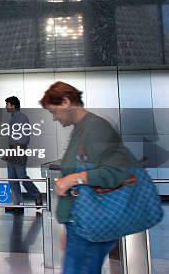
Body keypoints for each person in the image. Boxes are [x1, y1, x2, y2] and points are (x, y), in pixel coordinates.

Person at [40, 82, 138, 274]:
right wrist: (66, 223)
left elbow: (117, 171)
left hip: (90, 227)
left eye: (54, 111)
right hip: (79, 225)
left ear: (67, 102)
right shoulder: (81, 130)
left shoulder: (97, 128)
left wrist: (73, 179)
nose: (53, 118)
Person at [3, 96, 42, 214]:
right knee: (12, 178)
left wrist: (14, 152)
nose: (6, 106)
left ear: (13, 105)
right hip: (13, 150)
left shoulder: (20, 118)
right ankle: (18, 205)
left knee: (21, 177)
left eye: (7, 104)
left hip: (18, 150)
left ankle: (36, 195)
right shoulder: (14, 117)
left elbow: (22, 138)